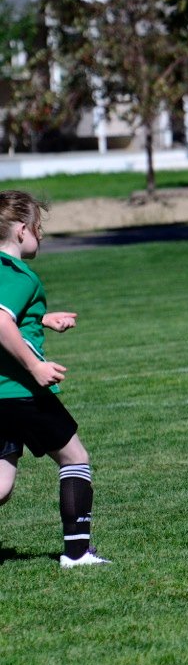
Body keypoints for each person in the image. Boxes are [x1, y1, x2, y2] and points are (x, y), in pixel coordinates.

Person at [0, 191, 109, 567]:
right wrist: (35, 367)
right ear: (21, 231)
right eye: (38, 227)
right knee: (75, 458)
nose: (41, 235)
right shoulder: (17, 274)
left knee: (1, 486)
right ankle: (77, 554)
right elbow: (1, 321)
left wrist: (41, 319)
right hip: (20, 391)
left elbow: (10, 318)